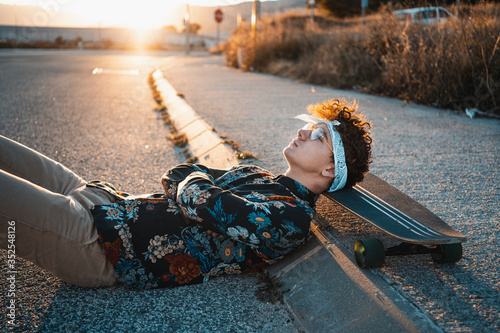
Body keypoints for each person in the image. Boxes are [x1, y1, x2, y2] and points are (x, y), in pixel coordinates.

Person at [0, 98, 372, 289]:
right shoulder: (253, 172)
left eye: (319, 135)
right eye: (310, 126)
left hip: (99, 246)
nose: (305, 132)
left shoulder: (292, 219)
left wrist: (194, 190)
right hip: (106, 202)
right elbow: (179, 173)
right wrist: (194, 190)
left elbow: (200, 198)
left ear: (329, 170)